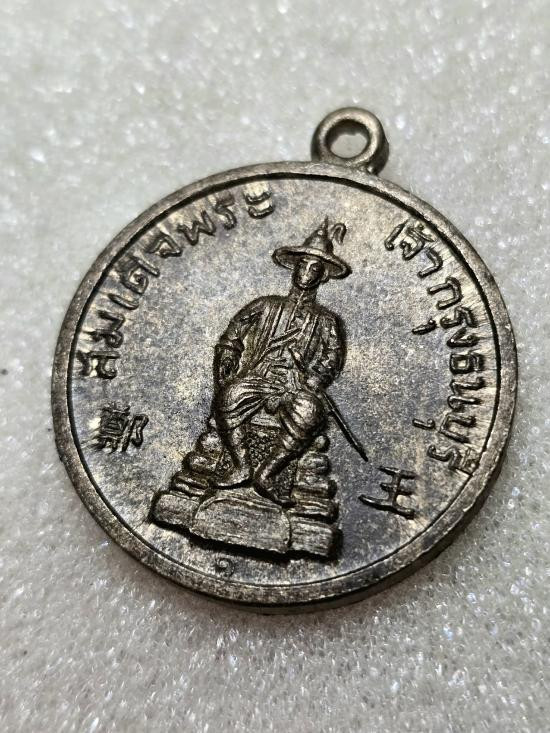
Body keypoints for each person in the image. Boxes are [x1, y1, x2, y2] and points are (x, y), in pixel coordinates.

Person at [205, 217, 351, 505]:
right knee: (228, 398)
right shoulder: (265, 305)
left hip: (294, 386)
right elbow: (233, 335)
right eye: (303, 265)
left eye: (314, 268)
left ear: (323, 276)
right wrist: (226, 362)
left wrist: (313, 379)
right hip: (259, 377)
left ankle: (268, 474)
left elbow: (332, 357)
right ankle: (241, 465)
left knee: (310, 413)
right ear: (294, 268)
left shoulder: (326, 320)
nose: (306, 272)